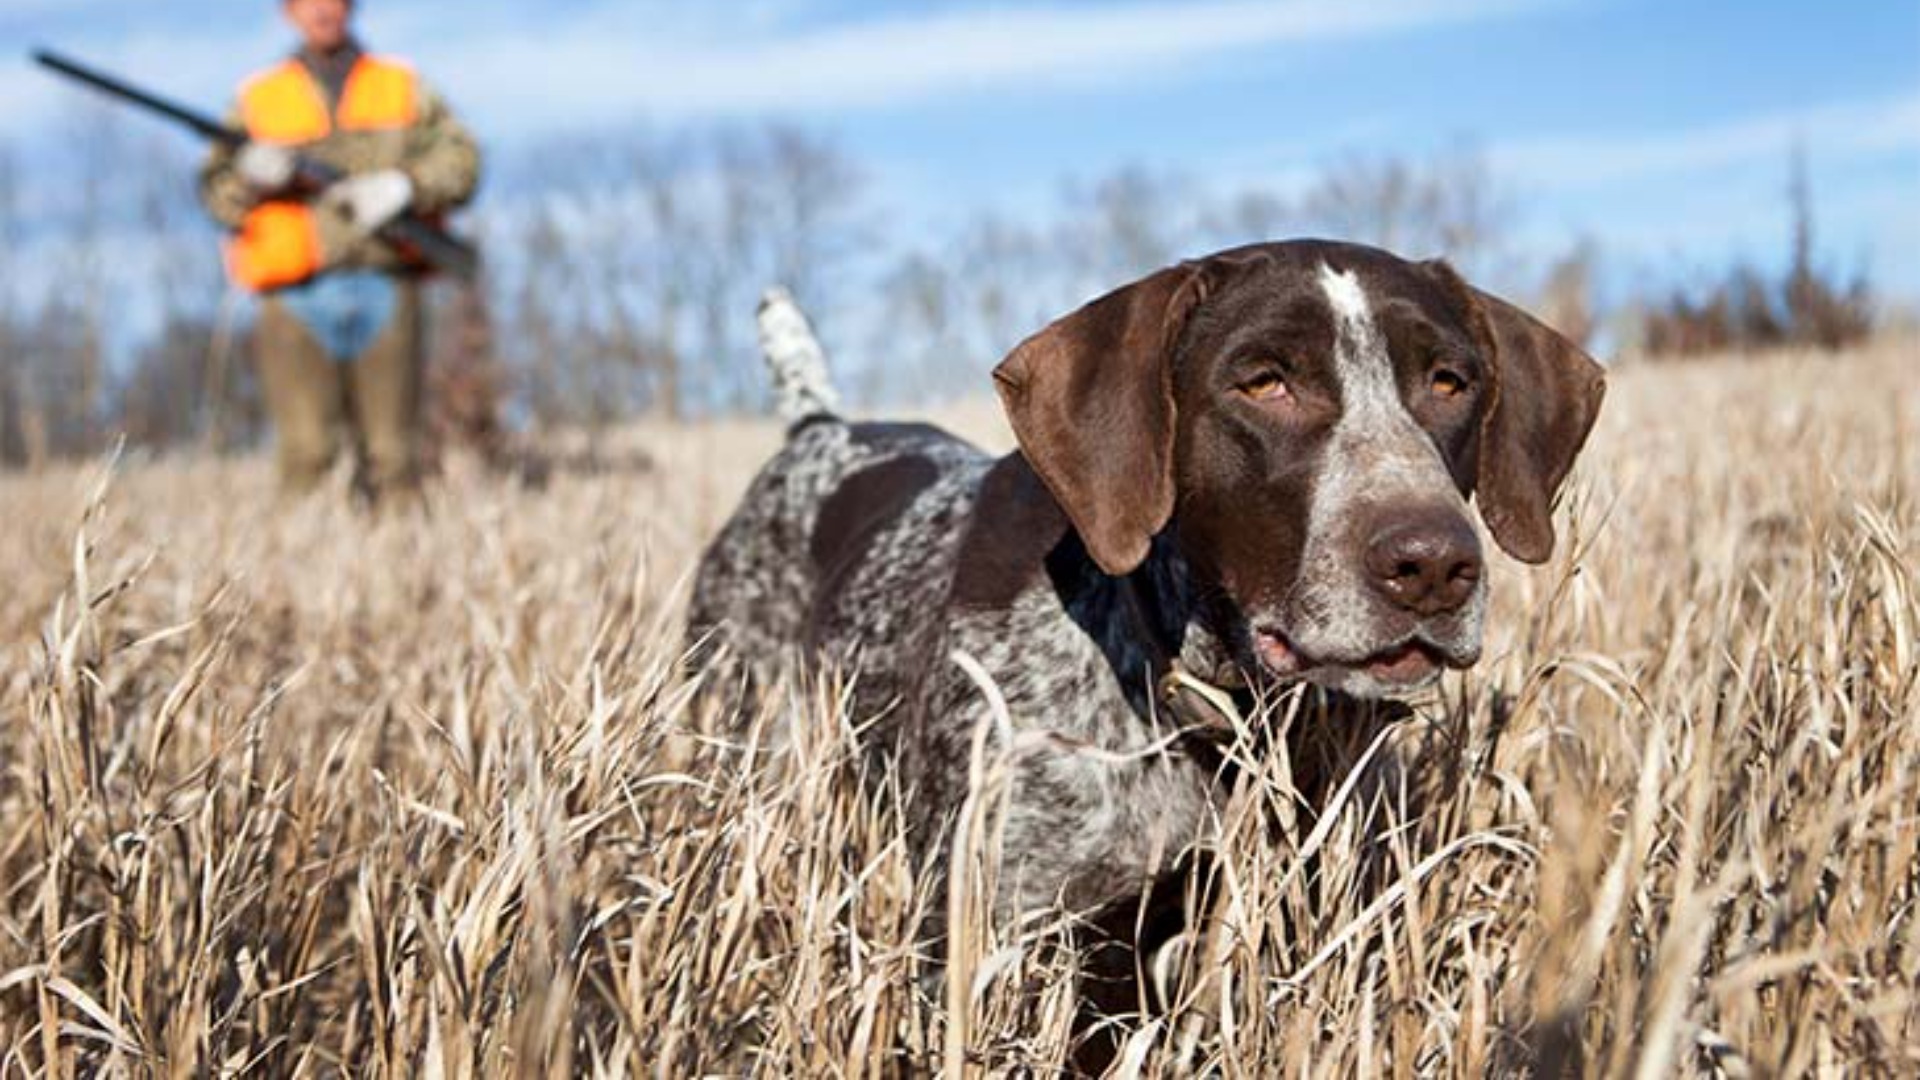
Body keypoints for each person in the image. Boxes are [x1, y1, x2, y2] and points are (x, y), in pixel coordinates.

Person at [199, 0, 479, 501]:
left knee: (395, 459)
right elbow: (215, 194)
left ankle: (402, 567)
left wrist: (405, 186)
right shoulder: (258, 97)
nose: (323, 9)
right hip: (294, 294)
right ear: (287, 11)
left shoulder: (401, 84)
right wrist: (248, 179)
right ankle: (297, 573)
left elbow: (462, 162)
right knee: (306, 458)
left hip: (387, 281)